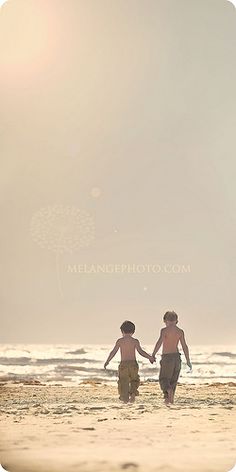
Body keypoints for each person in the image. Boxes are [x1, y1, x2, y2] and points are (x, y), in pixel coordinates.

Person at [104, 320, 155, 403]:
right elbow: (141, 352)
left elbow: (113, 352)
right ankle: (133, 393)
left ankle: (125, 399)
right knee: (134, 380)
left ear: (122, 331)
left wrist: (107, 361)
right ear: (133, 331)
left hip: (123, 365)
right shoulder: (135, 341)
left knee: (123, 381)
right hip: (133, 364)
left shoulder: (120, 341)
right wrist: (150, 357)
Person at [152, 311, 192, 406]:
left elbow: (159, 342)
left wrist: (153, 354)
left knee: (164, 379)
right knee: (173, 380)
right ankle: (169, 399)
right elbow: (184, 346)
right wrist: (188, 360)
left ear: (165, 320)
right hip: (177, 358)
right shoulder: (180, 331)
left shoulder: (164, 330)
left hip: (167, 357)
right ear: (176, 321)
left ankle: (168, 393)